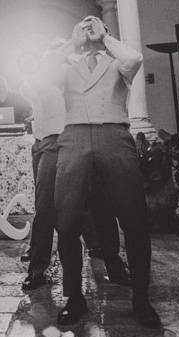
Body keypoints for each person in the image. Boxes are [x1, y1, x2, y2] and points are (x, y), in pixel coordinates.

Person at [50, 16, 160, 328]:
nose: (89, 26)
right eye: (84, 24)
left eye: (94, 23)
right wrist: (71, 45)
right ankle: (74, 298)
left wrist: (105, 37)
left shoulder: (117, 62)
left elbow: (135, 58)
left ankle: (141, 298)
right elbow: (39, 73)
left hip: (114, 135)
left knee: (134, 220)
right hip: (74, 137)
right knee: (67, 220)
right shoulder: (68, 64)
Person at [18, 43, 130, 292]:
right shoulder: (44, 74)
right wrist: (59, 52)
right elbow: (29, 86)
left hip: (85, 139)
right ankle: (38, 269)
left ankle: (114, 263)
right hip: (52, 143)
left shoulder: (81, 69)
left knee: (100, 203)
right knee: (45, 206)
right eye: (57, 49)